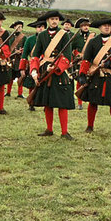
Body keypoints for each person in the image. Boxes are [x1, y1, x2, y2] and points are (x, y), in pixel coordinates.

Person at [29, 10, 75, 140]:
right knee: (47, 103)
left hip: (59, 72)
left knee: (62, 104)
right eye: (52, 19)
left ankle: (64, 132)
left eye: (56, 19)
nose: (54, 21)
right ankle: (49, 129)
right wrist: (34, 70)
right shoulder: (42, 35)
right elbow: (36, 55)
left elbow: (67, 56)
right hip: (45, 71)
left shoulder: (64, 35)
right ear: (48, 21)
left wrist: (56, 67)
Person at [77, 17, 111, 135]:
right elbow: (86, 59)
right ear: (99, 27)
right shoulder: (93, 42)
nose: (107, 27)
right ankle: (90, 126)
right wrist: (82, 74)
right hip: (96, 76)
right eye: (104, 25)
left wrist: (110, 63)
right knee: (93, 102)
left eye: (109, 25)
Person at [20, 20, 45, 111]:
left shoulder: (49, 40)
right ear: (36, 28)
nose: (40, 28)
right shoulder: (30, 39)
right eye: (39, 27)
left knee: (44, 85)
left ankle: (45, 105)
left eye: (42, 26)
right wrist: (22, 68)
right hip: (33, 63)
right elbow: (24, 54)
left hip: (44, 64)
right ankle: (31, 103)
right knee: (32, 85)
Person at [72, 17, 95, 110]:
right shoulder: (76, 37)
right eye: (84, 25)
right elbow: (72, 48)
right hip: (79, 62)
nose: (86, 27)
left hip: (90, 62)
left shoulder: (93, 37)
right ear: (80, 27)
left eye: (87, 25)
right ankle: (80, 102)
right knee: (79, 81)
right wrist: (77, 54)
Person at [5, 20, 26, 99]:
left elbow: (25, 48)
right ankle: (8, 92)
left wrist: (20, 52)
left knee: (20, 77)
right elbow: (7, 48)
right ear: (14, 27)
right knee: (10, 77)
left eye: (20, 27)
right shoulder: (10, 37)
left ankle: (20, 93)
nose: (19, 28)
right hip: (11, 59)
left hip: (19, 60)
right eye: (17, 26)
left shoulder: (24, 37)